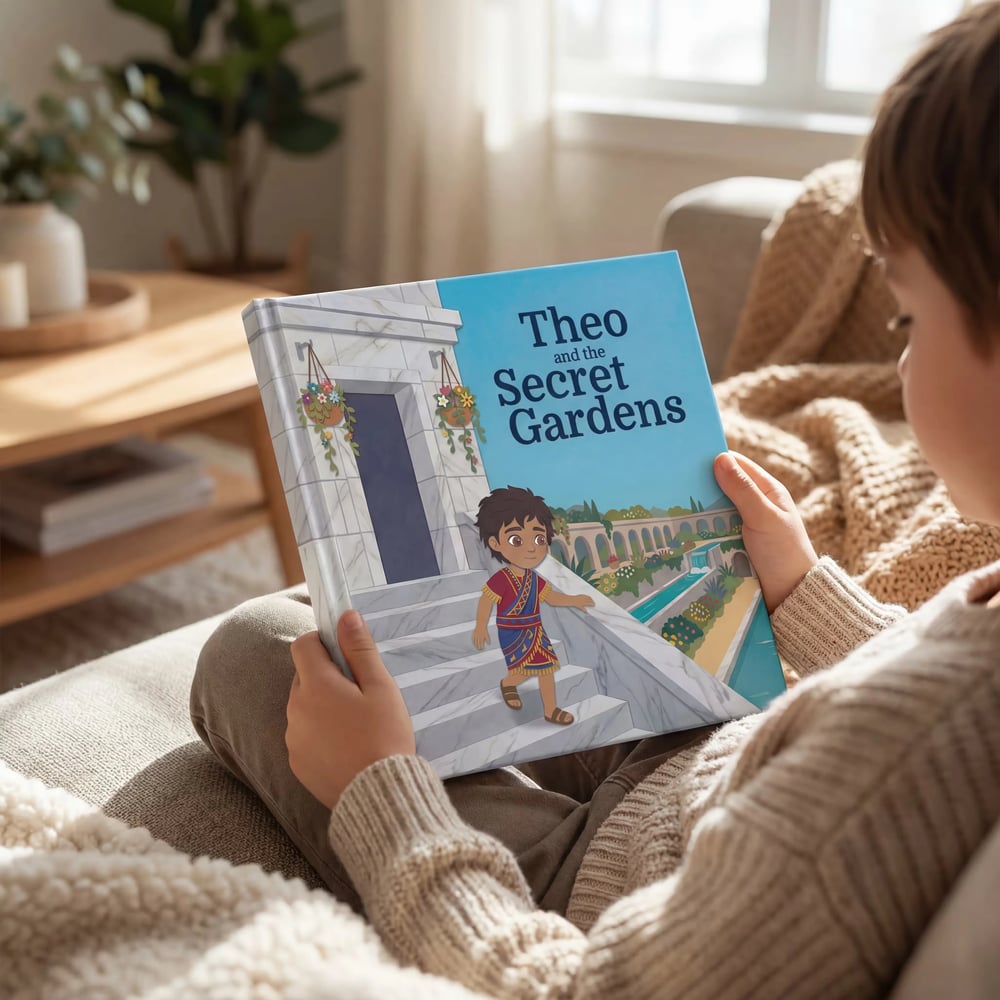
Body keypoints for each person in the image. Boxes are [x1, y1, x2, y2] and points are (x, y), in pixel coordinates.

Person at [190, 5, 1000, 996]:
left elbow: (578, 987)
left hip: (590, 881)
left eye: (908, 315)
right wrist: (798, 596)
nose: (901, 354)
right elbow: (914, 679)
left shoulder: (907, 759)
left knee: (260, 649)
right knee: (361, 646)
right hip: (710, 751)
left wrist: (378, 791)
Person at [472, 485, 595, 725]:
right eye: (516, 539)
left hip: (536, 630)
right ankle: (508, 684)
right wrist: (480, 626)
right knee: (524, 671)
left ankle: (551, 710)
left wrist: (573, 600)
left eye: (538, 538)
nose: (531, 547)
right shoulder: (502, 579)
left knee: (546, 668)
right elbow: (487, 600)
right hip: (513, 632)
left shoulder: (534, 579)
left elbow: (550, 597)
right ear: (496, 543)